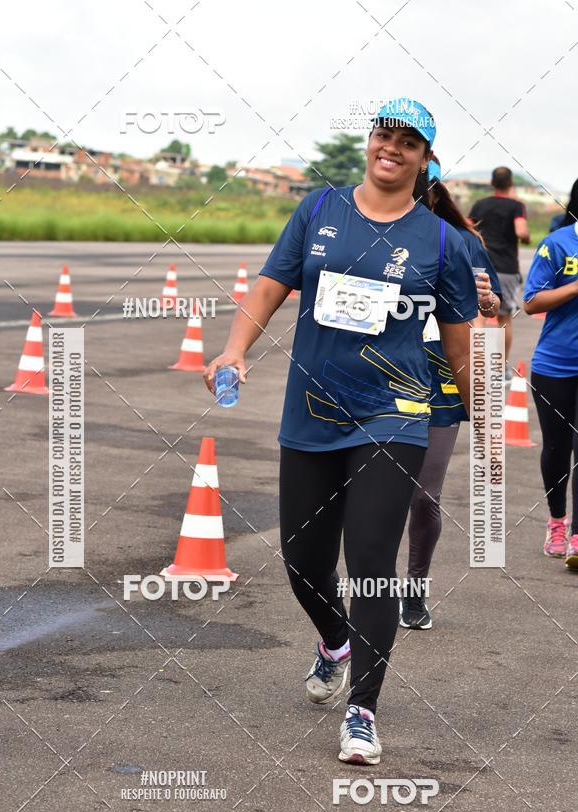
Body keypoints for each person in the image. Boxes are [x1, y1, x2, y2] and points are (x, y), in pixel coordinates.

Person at [204, 97, 478, 765]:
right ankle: (334, 640)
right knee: (302, 561)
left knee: (372, 562)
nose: (393, 148)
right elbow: (270, 285)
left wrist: (482, 420)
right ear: (370, 141)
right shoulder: (320, 210)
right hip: (312, 411)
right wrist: (234, 348)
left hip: (396, 413)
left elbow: (462, 349)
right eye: (385, 134)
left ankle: (363, 710)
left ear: (425, 157)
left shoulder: (441, 241)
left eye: (409, 142)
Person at [400, 157, 502, 629]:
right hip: (380, 378)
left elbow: (495, 308)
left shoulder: (461, 242)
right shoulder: (373, 232)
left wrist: (487, 301)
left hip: (440, 380)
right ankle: (371, 587)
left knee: (424, 494)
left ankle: (414, 590)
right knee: (372, 492)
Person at [523, 215, 578, 569]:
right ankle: (557, 521)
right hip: (556, 365)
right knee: (557, 448)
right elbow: (531, 302)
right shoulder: (557, 243)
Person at [469, 167, 530, 383]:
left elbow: (467, 227)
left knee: (478, 317)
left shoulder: (480, 204)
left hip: (480, 266)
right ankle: (499, 369)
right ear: (510, 183)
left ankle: (475, 367)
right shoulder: (516, 206)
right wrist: (526, 238)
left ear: (492, 183)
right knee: (504, 318)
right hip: (505, 268)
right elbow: (521, 232)